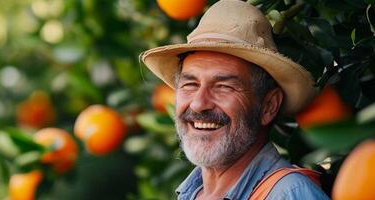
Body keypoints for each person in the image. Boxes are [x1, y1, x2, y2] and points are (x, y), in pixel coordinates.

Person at [140, 0, 330, 199]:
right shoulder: (190, 194)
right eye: (190, 84)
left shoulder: (289, 194)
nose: (198, 103)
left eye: (223, 86)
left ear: (268, 106)